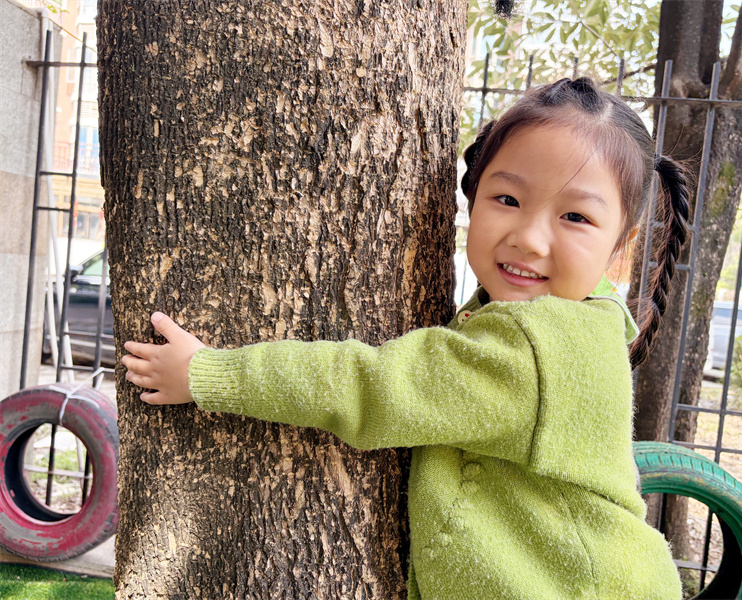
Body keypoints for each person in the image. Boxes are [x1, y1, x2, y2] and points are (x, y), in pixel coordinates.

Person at [122, 77, 689, 599]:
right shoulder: (579, 323)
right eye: (508, 200)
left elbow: (369, 387)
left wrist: (207, 373)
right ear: (473, 198)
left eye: (576, 218)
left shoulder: (533, 351)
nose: (530, 238)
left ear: (622, 246)